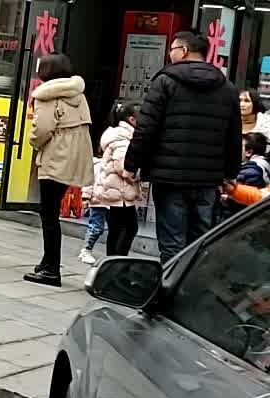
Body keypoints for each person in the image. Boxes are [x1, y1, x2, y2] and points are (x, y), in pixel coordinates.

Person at [123, 29, 241, 264]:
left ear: (184, 51)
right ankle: (192, 289)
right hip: (208, 179)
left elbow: (146, 129)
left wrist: (131, 165)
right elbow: (233, 135)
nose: (170, 54)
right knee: (200, 240)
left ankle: (170, 288)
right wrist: (230, 173)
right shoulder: (227, 87)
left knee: (172, 240)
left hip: (170, 177)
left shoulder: (165, 81)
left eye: (173, 49)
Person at [24, 54, 94, 288]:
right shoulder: (78, 94)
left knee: (49, 215)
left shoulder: (46, 96)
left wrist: (33, 143)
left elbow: (41, 129)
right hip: (76, 157)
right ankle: (47, 262)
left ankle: (52, 269)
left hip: (56, 157)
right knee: (51, 212)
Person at [91, 101, 144, 258]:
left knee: (116, 229)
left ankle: (111, 265)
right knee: (128, 228)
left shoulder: (117, 134)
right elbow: (124, 167)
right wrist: (140, 174)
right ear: (132, 120)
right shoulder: (123, 138)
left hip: (115, 191)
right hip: (120, 192)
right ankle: (116, 266)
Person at [222, 132, 270, 217]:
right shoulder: (261, 166)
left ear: (249, 152)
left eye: (238, 148)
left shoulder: (250, 170)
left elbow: (250, 202)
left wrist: (228, 199)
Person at [78, 160, 107, 266]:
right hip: (97, 201)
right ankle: (86, 250)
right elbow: (88, 182)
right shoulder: (98, 165)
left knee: (98, 227)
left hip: (108, 202)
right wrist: (85, 197)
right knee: (96, 227)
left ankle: (86, 249)